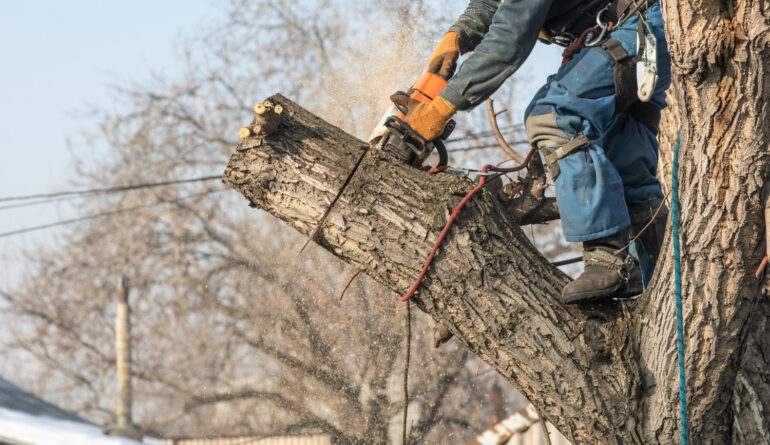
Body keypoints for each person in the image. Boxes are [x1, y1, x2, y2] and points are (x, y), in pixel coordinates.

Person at [391, 0, 671, 304]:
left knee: (552, 116)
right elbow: (493, 5)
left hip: (642, 30)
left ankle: (607, 256)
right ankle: (659, 277)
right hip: (643, 32)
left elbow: (510, 35)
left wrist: (441, 108)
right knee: (622, 158)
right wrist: (459, 35)